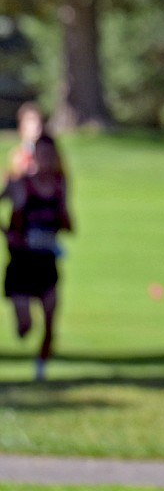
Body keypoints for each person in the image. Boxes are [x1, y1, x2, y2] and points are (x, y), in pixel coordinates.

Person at [2, 134, 73, 381]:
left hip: (46, 261)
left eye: (51, 156)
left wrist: (65, 225)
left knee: (52, 318)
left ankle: (41, 367)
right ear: (34, 157)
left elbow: (66, 217)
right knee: (25, 328)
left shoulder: (59, 185)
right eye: (43, 155)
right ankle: (22, 323)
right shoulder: (20, 183)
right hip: (21, 263)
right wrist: (8, 233)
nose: (47, 160)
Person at [9, 102, 45, 178]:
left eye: (38, 119)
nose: (36, 124)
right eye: (31, 119)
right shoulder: (18, 156)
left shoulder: (49, 153)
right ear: (21, 126)